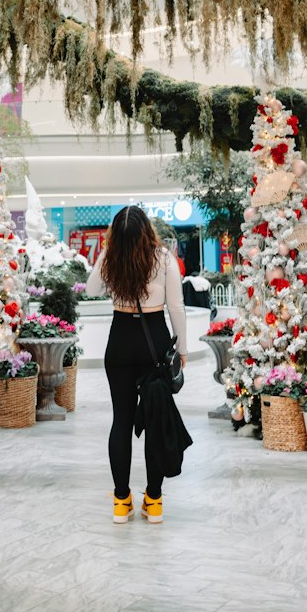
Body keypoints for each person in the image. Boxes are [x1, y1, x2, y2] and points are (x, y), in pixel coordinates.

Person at [86, 205, 188, 524]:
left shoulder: (111, 258)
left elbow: (91, 289)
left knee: (122, 421)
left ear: (115, 235)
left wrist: (106, 253)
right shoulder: (164, 259)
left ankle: (121, 502)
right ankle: (153, 502)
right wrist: (182, 349)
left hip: (119, 345)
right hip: (154, 345)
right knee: (155, 420)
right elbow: (176, 307)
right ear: (148, 230)